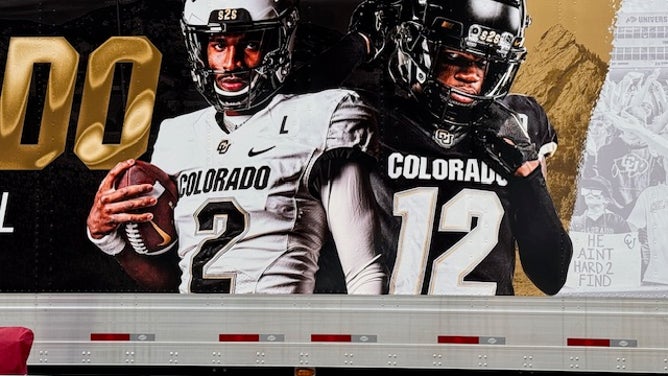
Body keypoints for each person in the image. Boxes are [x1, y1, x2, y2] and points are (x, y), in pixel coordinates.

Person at [86, 0, 386, 294]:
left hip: (276, 335)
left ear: (277, 44)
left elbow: (364, 270)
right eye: (218, 45)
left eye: (250, 45)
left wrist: (365, 339)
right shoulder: (176, 136)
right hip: (199, 334)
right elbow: (173, 281)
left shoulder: (321, 117)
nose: (231, 63)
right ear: (200, 48)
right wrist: (107, 238)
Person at [335, 0, 573, 295]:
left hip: (480, 332)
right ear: (416, 45)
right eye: (454, 56)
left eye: (482, 62)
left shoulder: (517, 123)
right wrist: (362, 42)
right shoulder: (366, 114)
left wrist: (529, 176)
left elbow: (552, 275)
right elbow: (280, 105)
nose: (470, 75)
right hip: (387, 325)